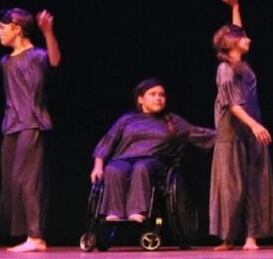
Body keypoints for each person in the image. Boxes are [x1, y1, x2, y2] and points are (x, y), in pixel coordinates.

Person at [209, 0, 273, 251]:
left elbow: (237, 31)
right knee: (232, 187)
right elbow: (232, 104)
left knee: (254, 183)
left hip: (250, 132)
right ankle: (228, 238)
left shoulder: (241, 64)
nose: (248, 39)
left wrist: (235, 6)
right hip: (232, 134)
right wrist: (254, 124)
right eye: (243, 38)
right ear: (232, 44)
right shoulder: (225, 68)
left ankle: (251, 236)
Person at [90, 78, 215, 223]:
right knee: (113, 169)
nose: (158, 98)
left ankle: (137, 211)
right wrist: (98, 166)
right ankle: (113, 212)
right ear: (141, 99)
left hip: (154, 162)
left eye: (162, 95)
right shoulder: (127, 119)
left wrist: (228, 137)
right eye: (153, 94)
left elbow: (198, 132)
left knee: (141, 167)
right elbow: (107, 141)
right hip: (124, 159)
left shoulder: (171, 121)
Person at [0, 7, 61, 253]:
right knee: (12, 182)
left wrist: (48, 31)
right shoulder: (5, 62)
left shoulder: (36, 56)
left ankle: (36, 236)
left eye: (2, 28)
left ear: (17, 28)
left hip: (32, 123)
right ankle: (28, 235)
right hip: (11, 125)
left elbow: (54, 60)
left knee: (28, 180)